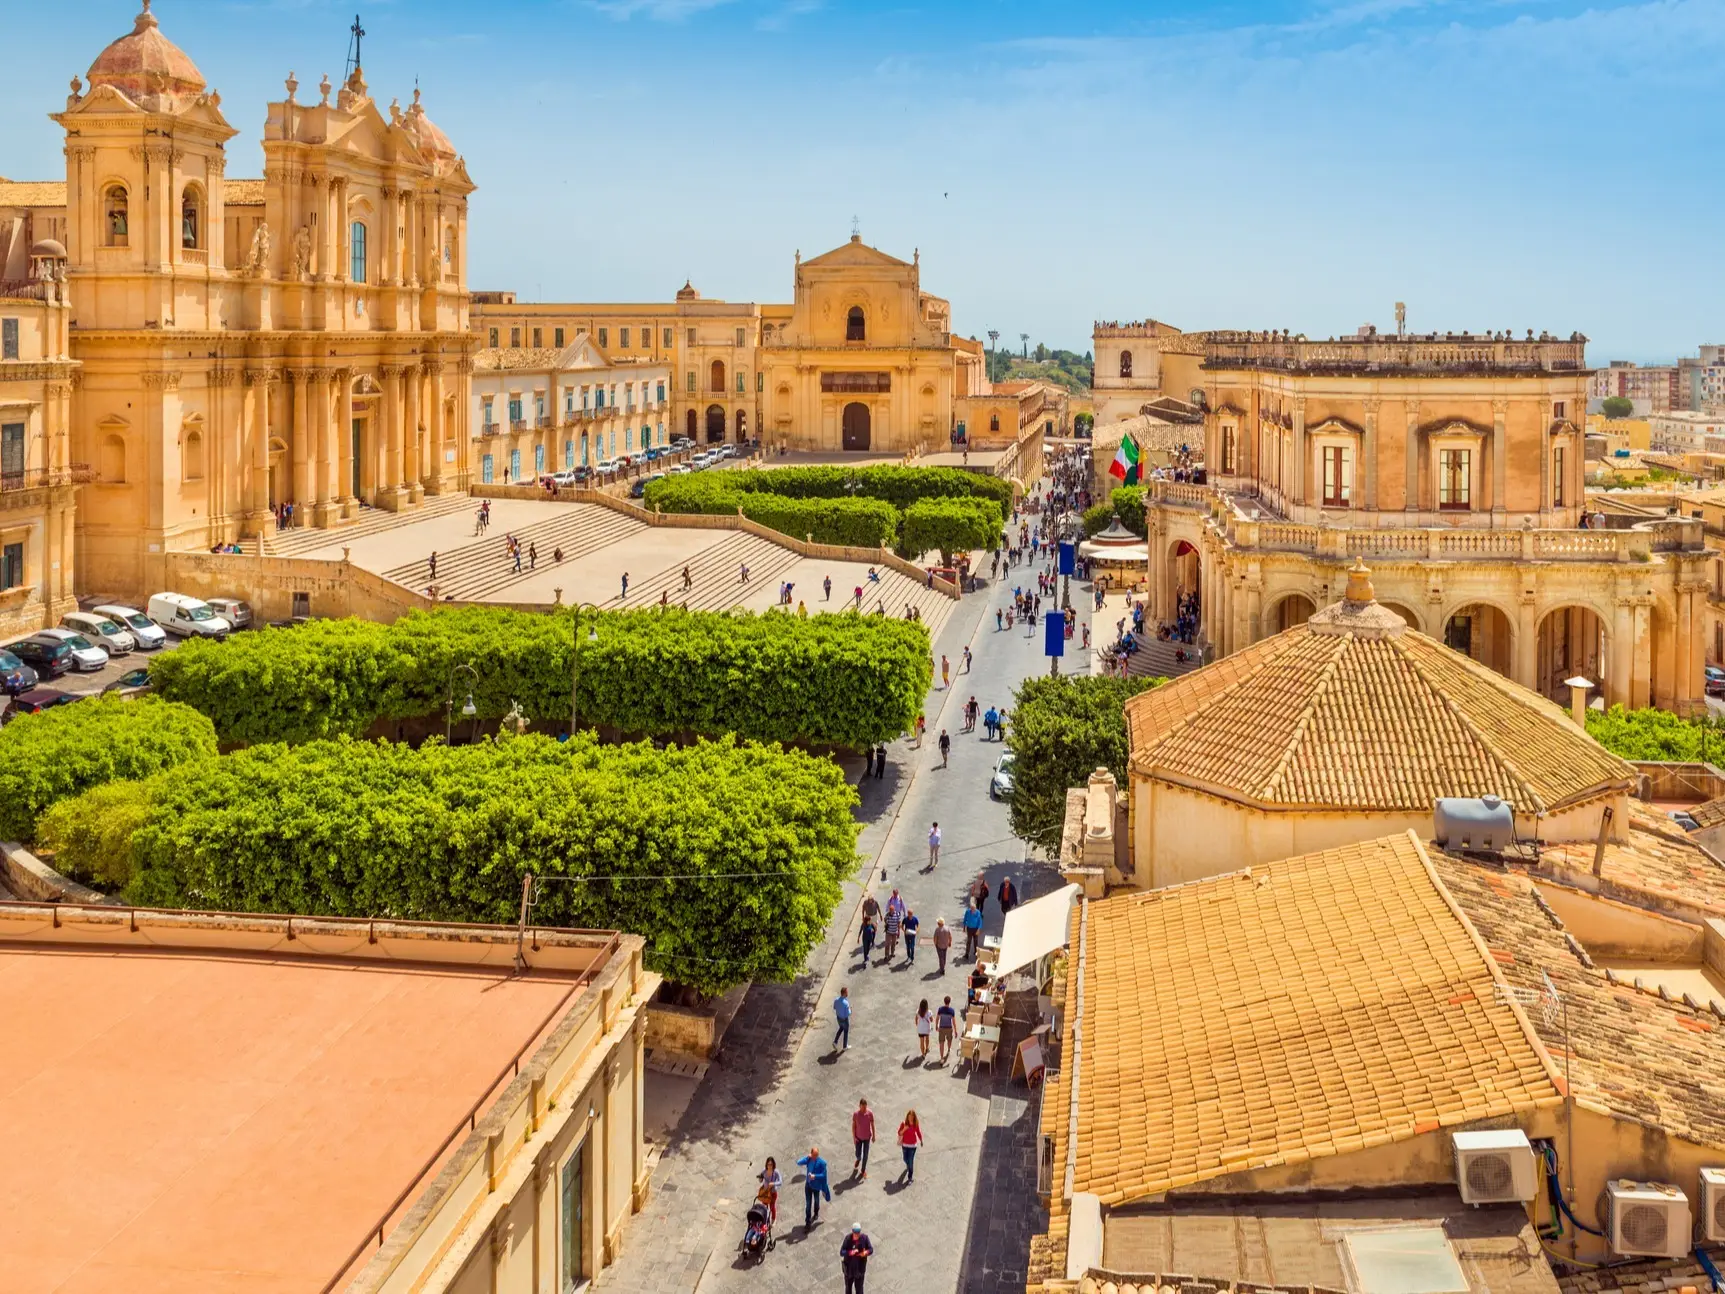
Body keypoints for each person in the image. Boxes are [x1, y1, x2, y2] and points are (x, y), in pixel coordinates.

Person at [797, 1147, 831, 1228]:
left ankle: (816, 1212)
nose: (815, 1156)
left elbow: (823, 1175)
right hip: (808, 1185)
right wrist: (807, 1157)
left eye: (817, 1155)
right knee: (808, 1204)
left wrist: (814, 1176)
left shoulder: (822, 1163)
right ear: (811, 1153)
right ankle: (807, 1221)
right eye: (814, 1155)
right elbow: (798, 1162)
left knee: (816, 1200)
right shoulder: (809, 1159)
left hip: (816, 1186)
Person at [840, 1224, 873, 1294]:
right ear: (852, 1231)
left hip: (859, 1269)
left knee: (859, 1289)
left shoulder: (865, 1238)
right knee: (848, 1288)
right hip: (849, 1270)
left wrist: (865, 1252)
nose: (857, 1234)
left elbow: (871, 1249)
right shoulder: (848, 1239)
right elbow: (842, 1252)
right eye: (855, 1233)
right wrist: (850, 1252)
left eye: (858, 1232)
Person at [851, 1099, 876, 1180]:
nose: (864, 1109)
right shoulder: (856, 1114)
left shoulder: (870, 1114)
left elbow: (872, 1125)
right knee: (858, 1153)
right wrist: (854, 1137)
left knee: (866, 1155)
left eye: (865, 1107)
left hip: (867, 1138)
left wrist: (874, 1136)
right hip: (858, 1137)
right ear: (859, 1106)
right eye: (863, 1107)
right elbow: (853, 1126)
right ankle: (858, 1158)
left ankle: (863, 1170)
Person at [898, 1110, 924, 1184]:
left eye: (912, 1117)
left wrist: (921, 1140)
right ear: (907, 1116)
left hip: (913, 1146)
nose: (911, 1118)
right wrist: (904, 1129)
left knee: (911, 1161)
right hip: (905, 1145)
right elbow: (899, 1133)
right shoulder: (903, 1123)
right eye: (909, 1116)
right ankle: (908, 1165)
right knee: (905, 1159)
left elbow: (918, 1132)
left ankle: (910, 1177)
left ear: (914, 1117)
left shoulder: (915, 1124)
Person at [758, 1157, 782, 1223]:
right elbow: (761, 1179)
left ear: (773, 1164)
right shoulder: (764, 1171)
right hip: (765, 1193)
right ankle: (764, 1221)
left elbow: (780, 1182)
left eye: (771, 1164)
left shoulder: (776, 1172)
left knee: (772, 1207)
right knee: (764, 1208)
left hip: (772, 1193)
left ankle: (773, 1220)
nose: (769, 1166)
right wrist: (760, 1179)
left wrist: (773, 1183)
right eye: (768, 1164)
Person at [935, 996, 958, 1062]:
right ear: (949, 1002)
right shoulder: (952, 1011)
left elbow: (937, 1018)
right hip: (949, 1028)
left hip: (941, 1028)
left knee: (941, 1043)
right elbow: (953, 1022)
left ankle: (942, 1058)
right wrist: (955, 1031)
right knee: (949, 1040)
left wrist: (936, 1026)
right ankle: (948, 1049)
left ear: (944, 1001)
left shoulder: (940, 1009)